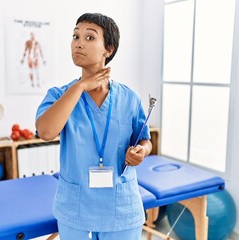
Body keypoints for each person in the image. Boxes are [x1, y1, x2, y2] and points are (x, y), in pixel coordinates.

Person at [35, 13, 152, 240]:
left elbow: (144, 140)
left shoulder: (129, 98)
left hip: (122, 209)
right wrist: (79, 88)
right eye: (75, 36)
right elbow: (46, 132)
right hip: (75, 209)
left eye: (90, 37)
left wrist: (141, 152)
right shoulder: (60, 95)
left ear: (108, 49)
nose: (78, 42)